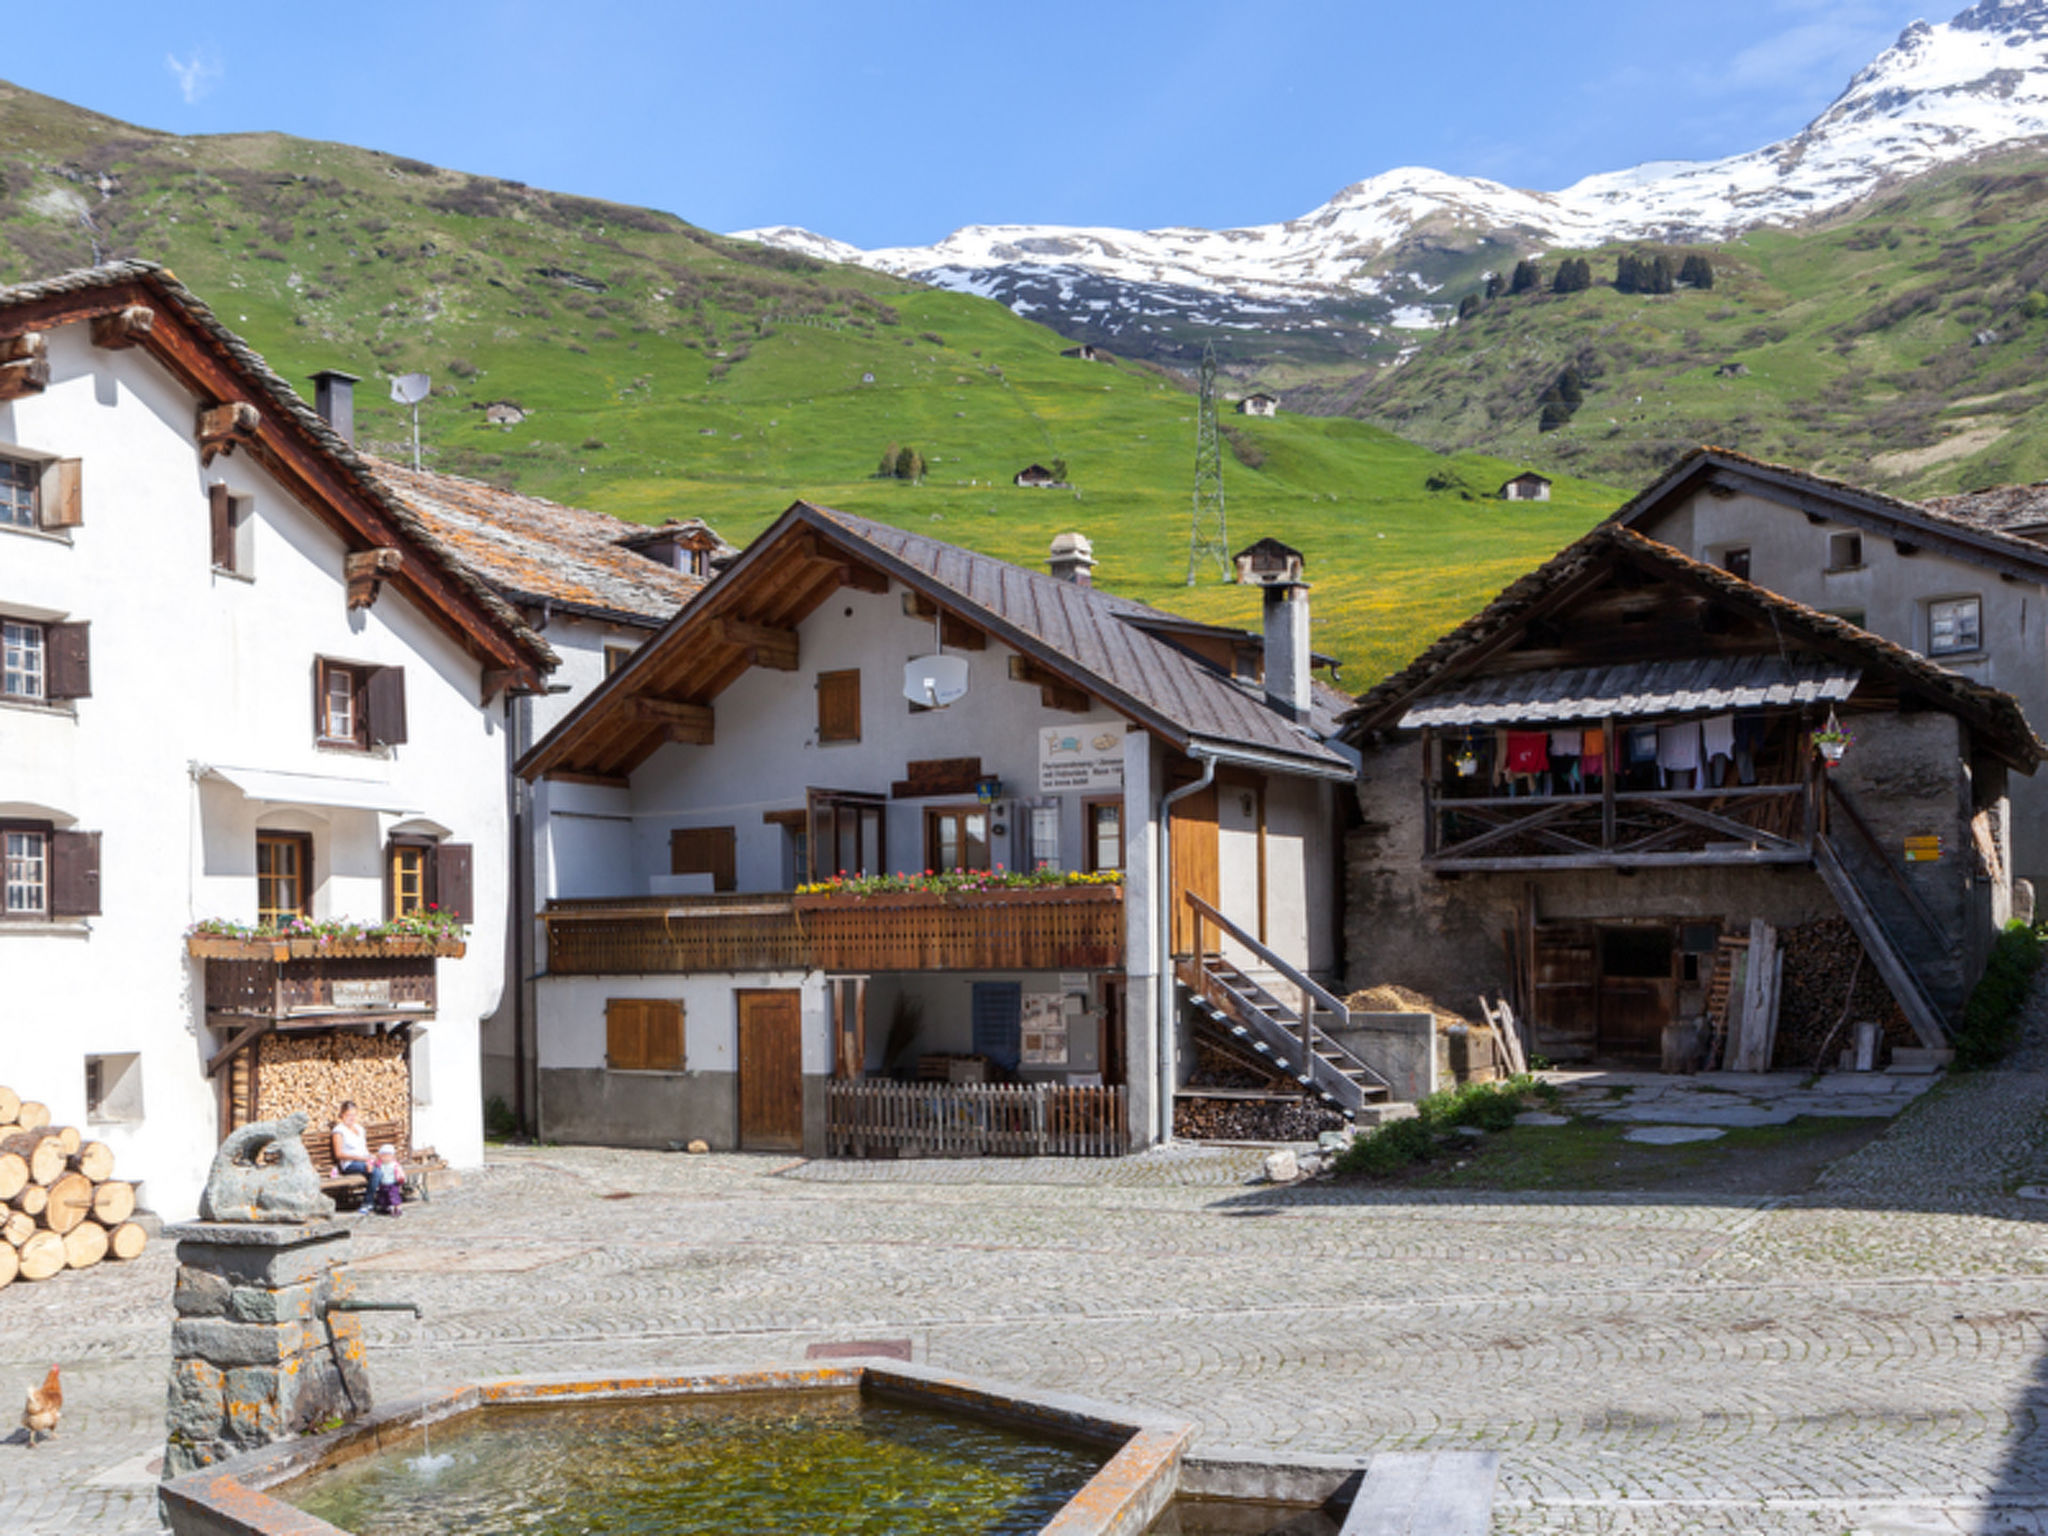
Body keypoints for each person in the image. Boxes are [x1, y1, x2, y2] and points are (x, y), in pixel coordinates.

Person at [330, 1102, 369, 1179]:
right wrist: (361, 1158)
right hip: (350, 1164)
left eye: (354, 1115)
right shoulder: (339, 1131)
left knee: (387, 1167)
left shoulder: (360, 1129)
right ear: (342, 1115)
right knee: (375, 1171)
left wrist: (371, 1157)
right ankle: (371, 1191)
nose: (352, 1118)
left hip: (364, 1160)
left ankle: (388, 1190)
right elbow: (338, 1154)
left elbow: (364, 1149)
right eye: (349, 1115)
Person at [368, 1143, 406, 1217]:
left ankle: (397, 1208)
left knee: (394, 1196)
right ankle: (386, 1208)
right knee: (383, 1196)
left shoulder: (394, 1164)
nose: (385, 1158)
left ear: (392, 1156)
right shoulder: (379, 1164)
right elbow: (371, 1162)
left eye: (388, 1155)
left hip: (393, 1184)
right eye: (383, 1156)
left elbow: (400, 1172)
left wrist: (401, 1178)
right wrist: (370, 1164)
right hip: (383, 1183)